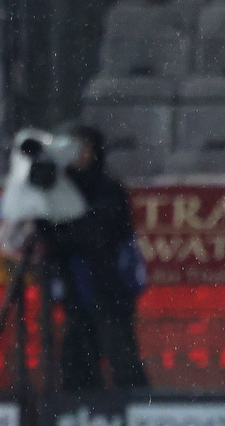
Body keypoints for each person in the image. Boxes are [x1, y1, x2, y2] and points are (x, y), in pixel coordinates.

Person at [38, 125, 149, 391]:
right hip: (74, 287)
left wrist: (63, 232)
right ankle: (82, 416)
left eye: (83, 147)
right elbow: (49, 234)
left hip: (108, 287)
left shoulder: (108, 188)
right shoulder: (60, 189)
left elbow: (96, 233)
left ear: (95, 151)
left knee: (121, 355)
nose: (77, 154)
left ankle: (135, 414)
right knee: (77, 359)